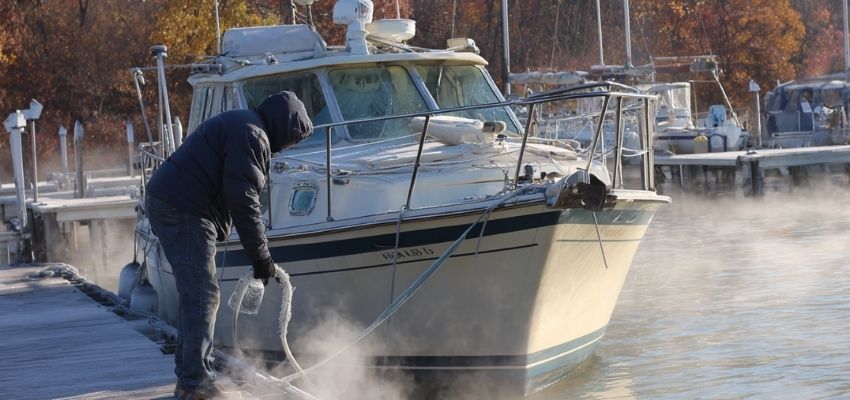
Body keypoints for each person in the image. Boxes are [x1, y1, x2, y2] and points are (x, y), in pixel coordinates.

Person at [145, 91, 313, 399]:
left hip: (173, 202)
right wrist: (261, 259)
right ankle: (195, 384)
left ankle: (190, 377)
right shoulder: (253, 136)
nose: (290, 146)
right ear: (284, 127)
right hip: (183, 208)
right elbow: (244, 202)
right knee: (202, 295)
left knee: (196, 294)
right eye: (292, 139)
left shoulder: (246, 125)